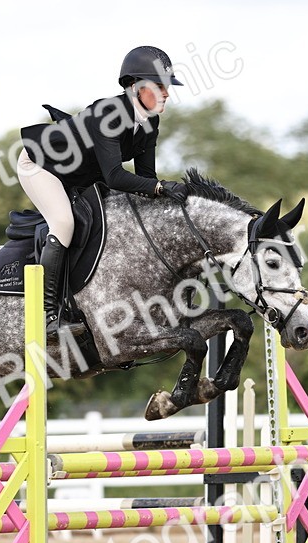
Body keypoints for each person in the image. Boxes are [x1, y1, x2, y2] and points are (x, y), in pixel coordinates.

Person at [17, 45, 191, 341]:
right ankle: (46, 316)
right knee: (64, 223)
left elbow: (146, 178)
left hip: (82, 173)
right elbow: (115, 176)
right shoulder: (110, 113)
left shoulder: (150, 122)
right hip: (40, 165)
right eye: (159, 87)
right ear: (136, 87)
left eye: (166, 87)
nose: (166, 94)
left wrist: (164, 195)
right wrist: (161, 187)